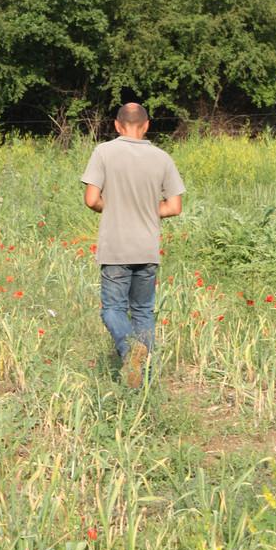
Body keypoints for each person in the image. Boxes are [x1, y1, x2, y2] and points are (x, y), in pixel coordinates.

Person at [81, 103, 184, 387]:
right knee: (142, 311)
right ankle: (144, 376)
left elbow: (91, 199)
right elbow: (175, 207)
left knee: (113, 309)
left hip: (116, 248)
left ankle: (129, 353)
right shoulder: (162, 158)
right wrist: (149, 210)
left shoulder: (103, 152)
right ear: (147, 125)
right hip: (147, 249)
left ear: (116, 125)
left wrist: (112, 207)